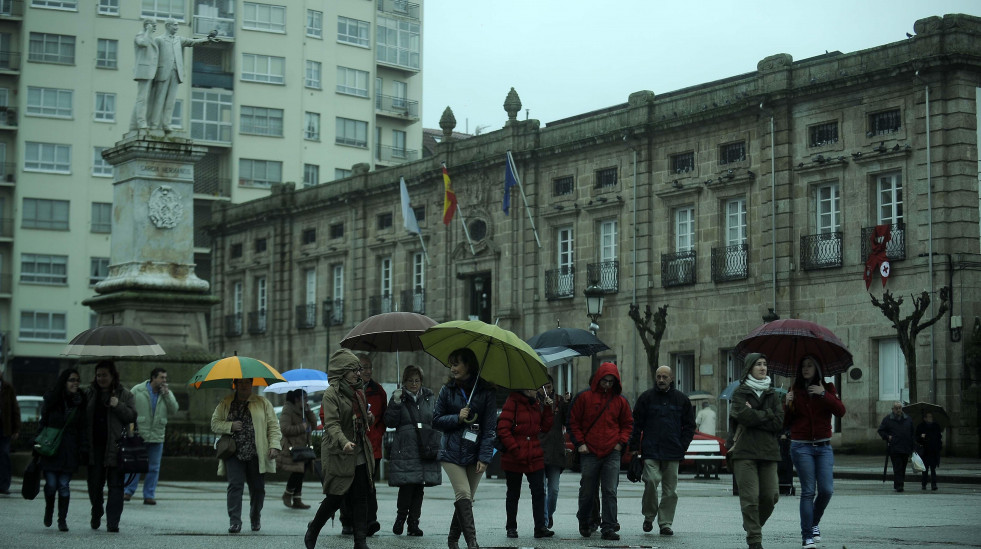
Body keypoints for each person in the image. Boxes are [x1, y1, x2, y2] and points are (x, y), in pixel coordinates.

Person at [305, 349, 376, 549]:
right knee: (336, 497)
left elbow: (363, 419)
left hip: (359, 449)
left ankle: (360, 542)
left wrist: (368, 418)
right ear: (342, 371)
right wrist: (343, 441)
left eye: (358, 369)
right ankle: (313, 531)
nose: (358, 373)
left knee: (361, 496)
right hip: (339, 450)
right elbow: (332, 424)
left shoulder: (358, 391)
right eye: (353, 369)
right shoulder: (331, 394)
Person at [432, 347, 497, 549]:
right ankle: (472, 543)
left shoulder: (486, 392)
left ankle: (452, 540)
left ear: (468, 365)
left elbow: (489, 429)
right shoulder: (447, 390)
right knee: (463, 494)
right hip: (450, 451)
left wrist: (485, 458)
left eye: (456, 363)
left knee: (467, 499)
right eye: (451, 364)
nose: (452, 368)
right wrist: (457, 418)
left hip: (475, 452)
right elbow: (435, 420)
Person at [784, 354, 846, 548]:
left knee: (826, 490)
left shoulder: (828, 388)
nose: (806, 369)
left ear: (817, 368)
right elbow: (785, 423)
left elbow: (841, 411)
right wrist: (786, 405)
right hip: (801, 446)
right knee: (808, 492)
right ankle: (807, 536)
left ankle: (814, 522)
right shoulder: (794, 390)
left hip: (823, 446)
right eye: (803, 366)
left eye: (810, 365)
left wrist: (823, 394)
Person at [568, 362, 633, 541]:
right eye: (605, 381)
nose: (607, 385)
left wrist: (620, 443)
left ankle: (609, 526)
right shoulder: (584, 397)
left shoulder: (620, 401)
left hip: (611, 450)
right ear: (598, 379)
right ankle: (585, 520)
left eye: (611, 382)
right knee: (588, 489)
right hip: (589, 450)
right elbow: (573, 422)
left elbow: (628, 424)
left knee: (610, 490)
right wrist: (580, 443)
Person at [629, 365, 695, 537]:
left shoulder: (681, 400)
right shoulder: (646, 398)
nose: (661, 380)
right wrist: (634, 449)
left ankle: (665, 523)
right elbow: (636, 424)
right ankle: (649, 516)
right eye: (658, 376)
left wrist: (683, 446)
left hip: (673, 451)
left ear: (672, 378)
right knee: (650, 481)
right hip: (651, 450)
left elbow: (689, 426)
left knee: (670, 491)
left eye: (665, 377)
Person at [211, 377, 282, 533]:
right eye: (240, 383)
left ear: (252, 384)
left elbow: (273, 426)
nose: (244, 386)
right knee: (235, 486)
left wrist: (274, 445)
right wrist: (230, 426)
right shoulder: (226, 402)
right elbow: (214, 423)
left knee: (258, 489)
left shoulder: (263, 403)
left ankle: (255, 516)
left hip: (256, 453)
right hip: (233, 453)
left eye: (247, 383)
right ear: (235, 385)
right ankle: (235, 521)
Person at [729, 353, 783, 549]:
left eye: (765, 364)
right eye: (758, 364)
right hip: (744, 452)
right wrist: (767, 415)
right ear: (749, 368)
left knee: (771, 497)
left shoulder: (773, 394)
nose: (762, 368)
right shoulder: (740, 393)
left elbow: (778, 422)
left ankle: (752, 524)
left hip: (768, 452)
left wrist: (758, 414)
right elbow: (743, 416)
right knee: (750, 499)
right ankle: (754, 539)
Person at [384, 364, 441, 536]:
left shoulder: (429, 396)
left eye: (417, 380)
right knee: (407, 485)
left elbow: (435, 418)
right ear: (404, 381)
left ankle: (413, 523)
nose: (414, 384)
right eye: (410, 380)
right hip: (406, 448)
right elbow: (390, 422)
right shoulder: (399, 397)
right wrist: (395, 403)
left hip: (425, 446)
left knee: (419, 487)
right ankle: (401, 518)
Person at [85, 360, 137, 533]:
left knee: (115, 486)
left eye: (104, 375)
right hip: (95, 448)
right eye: (98, 375)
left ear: (113, 375)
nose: (101, 378)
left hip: (117, 447)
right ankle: (96, 510)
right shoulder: (90, 393)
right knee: (94, 485)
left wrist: (117, 405)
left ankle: (112, 522)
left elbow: (131, 416)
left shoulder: (125, 394)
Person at [497, 386, 555, 539]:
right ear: (523, 388)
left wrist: (548, 409)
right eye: (531, 388)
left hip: (534, 454)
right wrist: (516, 450)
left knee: (539, 491)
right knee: (513, 493)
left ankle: (540, 527)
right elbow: (503, 429)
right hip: (514, 456)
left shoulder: (535, 403)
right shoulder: (512, 402)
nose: (535, 390)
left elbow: (544, 427)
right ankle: (511, 527)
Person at [38, 369, 86, 531]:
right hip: (52, 448)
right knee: (51, 484)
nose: (75, 383)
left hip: (69, 450)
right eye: (72, 380)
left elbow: (83, 428)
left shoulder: (81, 401)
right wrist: (38, 443)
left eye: (77, 380)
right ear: (64, 382)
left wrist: (82, 449)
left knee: (64, 484)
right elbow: (43, 423)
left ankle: (62, 520)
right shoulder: (52, 399)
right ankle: (49, 510)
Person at [149, 19, 218, 131]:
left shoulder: (179, 39)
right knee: (159, 99)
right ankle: (154, 124)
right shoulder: (159, 40)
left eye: (177, 26)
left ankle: (166, 124)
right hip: (162, 73)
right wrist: (152, 74)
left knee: (171, 100)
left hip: (176, 73)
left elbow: (193, 42)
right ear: (168, 26)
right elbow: (153, 57)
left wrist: (207, 39)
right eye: (174, 26)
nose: (177, 28)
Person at [125, 367, 178, 505]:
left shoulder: (166, 393)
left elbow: (174, 410)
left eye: (165, 378)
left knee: (154, 467)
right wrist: (130, 430)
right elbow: (128, 410)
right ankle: (127, 491)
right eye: (162, 377)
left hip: (157, 435)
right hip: (140, 434)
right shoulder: (138, 390)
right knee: (134, 465)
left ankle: (149, 495)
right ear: (153, 378)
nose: (164, 381)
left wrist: (167, 395)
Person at [538, 375, 571, 530]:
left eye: (549, 387)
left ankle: (548, 513)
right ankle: (543, 521)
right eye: (543, 387)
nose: (546, 390)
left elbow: (568, 421)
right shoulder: (534, 402)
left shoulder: (559, 401)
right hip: (539, 450)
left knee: (554, 489)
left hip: (556, 451)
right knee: (541, 490)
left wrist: (567, 405)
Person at [277, 389, 318, 509]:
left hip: (303, 448)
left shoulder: (304, 411)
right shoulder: (288, 409)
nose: (306, 401)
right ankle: (287, 494)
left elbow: (314, 425)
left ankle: (297, 499)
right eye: (304, 398)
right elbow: (284, 428)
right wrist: (301, 427)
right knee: (297, 472)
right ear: (297, 399)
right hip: (292, 447)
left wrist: (309, 411)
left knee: (301, 472)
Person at [877, 401, 914, 492]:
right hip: (895, 447)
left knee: (903, 467)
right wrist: (887, 437)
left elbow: (912, 432)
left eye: (900, 408)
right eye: (896, 408)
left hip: (905, 447)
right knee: (897, 467)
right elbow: (881, 430)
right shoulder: (888, 419)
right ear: (893, 409)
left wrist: (912, 446)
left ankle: (898, 483)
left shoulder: (908, 419)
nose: (898, 410)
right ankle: (899, 485)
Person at [129, 18, 158, 130]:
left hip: (150, 72)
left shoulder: (150, 37)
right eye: (153, 25)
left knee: (144, 99)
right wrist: (148, 31)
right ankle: (141, 122)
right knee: (142, 99)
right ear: (147, 25)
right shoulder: (141, 35)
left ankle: (133, 124)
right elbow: (143, 43)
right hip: (143, 72)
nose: (155, 27)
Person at [0, 368, 21, 495]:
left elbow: (15, 408)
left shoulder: (7, 388)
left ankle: (4, 485)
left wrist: (16, 428)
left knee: (4, 455)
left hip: (4, 428)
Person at [915, 412, 942, 491]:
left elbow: (939, 437)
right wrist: (921, 436)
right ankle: (924, 483)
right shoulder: (920, 427)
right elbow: (916, 438)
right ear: (925, 418)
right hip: (925, 451)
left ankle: (934, 484)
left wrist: (939, 447)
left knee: (933, 469)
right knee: (925, 469)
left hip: (933, 450)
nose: (931, 418)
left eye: (931, 416)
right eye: (929, 416)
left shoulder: (936, 426)